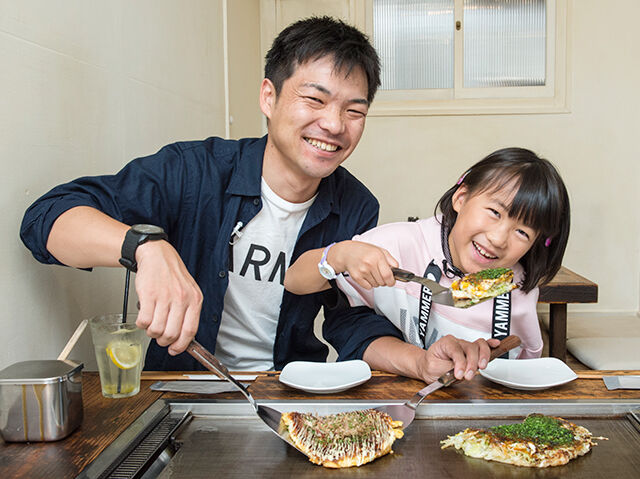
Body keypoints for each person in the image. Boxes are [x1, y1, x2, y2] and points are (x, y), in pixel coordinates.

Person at [20, 16, 496, 381]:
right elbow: (45, 219)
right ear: (268, 97)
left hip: (289, 393)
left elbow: (349, 322)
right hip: (184, 391)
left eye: (354, 110)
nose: (334, 125)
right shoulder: (195, 171)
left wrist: (421, 361)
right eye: (315, 100)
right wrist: (145, 248)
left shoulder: (355, 205)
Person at [285, 148, 571, 376]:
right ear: (461, 198)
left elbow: (524, 363)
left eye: (522, 232)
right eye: (494, 212)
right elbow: (295, 281)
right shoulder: (400, 244)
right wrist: (339, 254)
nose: (498, 238)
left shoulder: (516, 288)